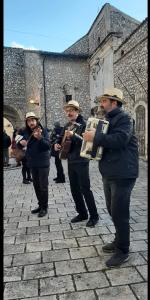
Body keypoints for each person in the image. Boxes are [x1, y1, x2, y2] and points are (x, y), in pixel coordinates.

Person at [82, 87, 139, 267]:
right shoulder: (107, 119)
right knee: (112, 210)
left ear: (114, 103)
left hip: (123, 173)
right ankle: (118, 240)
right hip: (109, 172)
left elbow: (120, 140)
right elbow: (103, 144)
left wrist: (94, 137)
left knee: (120, 213)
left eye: (104, 101)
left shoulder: (125, 118)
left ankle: (123, 250)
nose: (101, 104)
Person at [54, 100, 99, 227]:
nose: (69, 113)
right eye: (67, 111)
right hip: (71, 160)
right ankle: (82, 213)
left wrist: (74, 135)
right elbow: (60, 137)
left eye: (71, 110)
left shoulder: (85, 124)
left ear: (77, 111)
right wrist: (56, 143)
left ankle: (94, 216)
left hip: (81, 160)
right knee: (74, 189)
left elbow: (87, 143)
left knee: (85, 189)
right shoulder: (67, 124)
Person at [17, 112, 51, 217]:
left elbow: (47, 146)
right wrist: (20, 144)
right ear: (27, 122)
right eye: (29, 121)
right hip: (32, 162)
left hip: (43, 162)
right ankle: (40, 205)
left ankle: (44, 207)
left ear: (36, 121)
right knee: (36, 185)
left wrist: (40, 138)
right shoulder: (25, 132)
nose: (31, 122)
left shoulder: (42, 131)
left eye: (33, 120)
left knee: (43, 186)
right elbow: (20, 145)